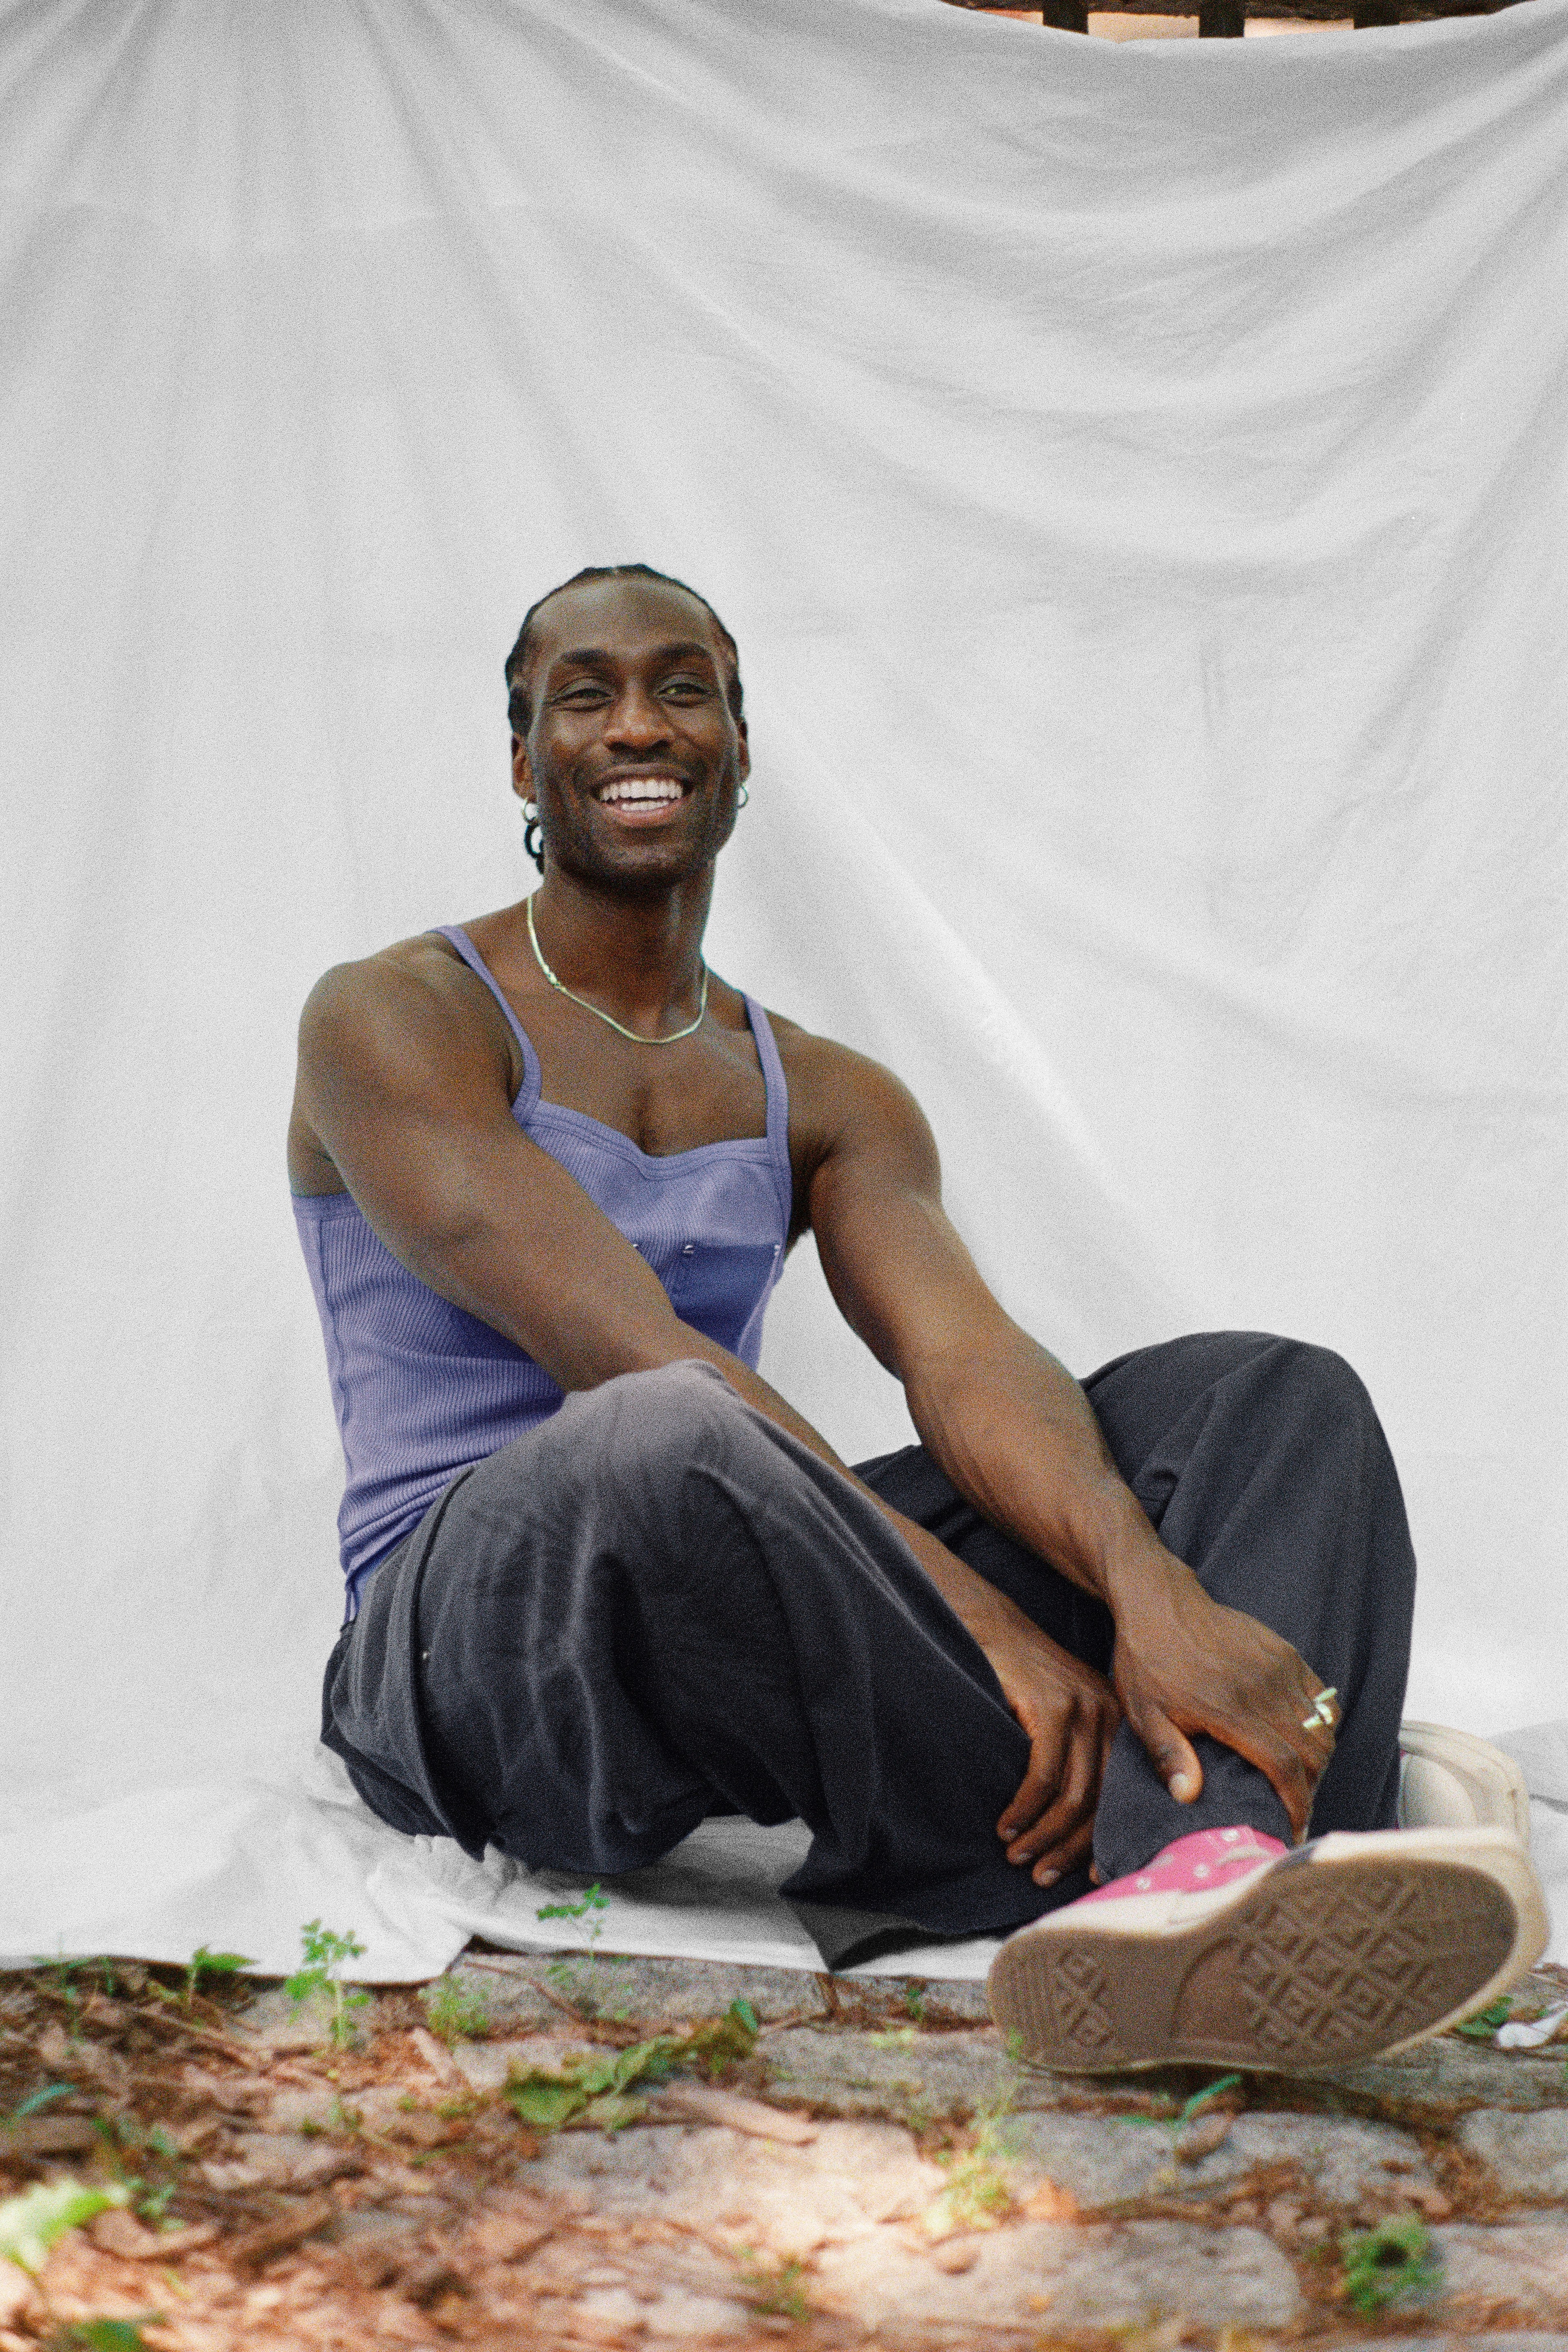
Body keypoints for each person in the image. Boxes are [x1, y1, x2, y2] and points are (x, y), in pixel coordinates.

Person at [289, 563, 1543, 2073]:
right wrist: (985, 1613)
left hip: (707, 1606)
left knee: (1271, 1396)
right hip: (464, 1655)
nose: (640, 723)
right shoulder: (394, 1014)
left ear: (740, 750)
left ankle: (1193, 1895)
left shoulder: (821, 1087)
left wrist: (1142, 1584)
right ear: (523, 760)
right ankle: (1329, 1784)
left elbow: (967, 1363)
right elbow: (620, 1345)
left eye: (684, 687)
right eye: (587, 692)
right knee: (667, 1428)